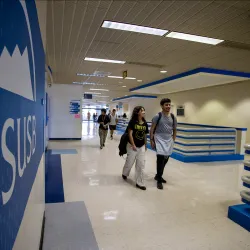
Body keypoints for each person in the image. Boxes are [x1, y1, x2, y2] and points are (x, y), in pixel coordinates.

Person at [150, 98, 177, 190]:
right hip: (159, 139)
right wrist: (151, 140)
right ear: (162, 106)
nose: (168, 106)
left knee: (166, 159)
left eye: (169, 105)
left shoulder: (173, 117)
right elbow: (152, 129)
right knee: (160, 159)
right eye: (166, 105)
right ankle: (159, 180)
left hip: (169, 139)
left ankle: (158, 175)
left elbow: (174, 129)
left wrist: (173, 140)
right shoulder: (158, 116)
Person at [122, 106, 149, 191]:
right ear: (138, 112)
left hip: (141, 146)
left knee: (140, 165)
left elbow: (145, 134)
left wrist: (146, 144)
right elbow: (130, 134)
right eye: (142, 110)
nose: (144, 112)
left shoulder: (145, 123)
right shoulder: (132, 122)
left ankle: (139, 183)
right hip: (132, 146)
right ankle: (125, 173)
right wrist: (133, 144)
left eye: (144, 110)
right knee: (129, 162)